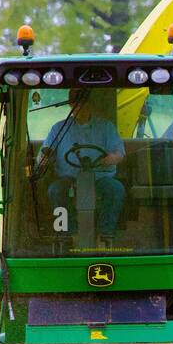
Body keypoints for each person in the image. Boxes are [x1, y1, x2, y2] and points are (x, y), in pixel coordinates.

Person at [37, 89, 125, 240]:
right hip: (69, 178)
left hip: (100, 178)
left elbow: (119, 154)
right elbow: (44, 154)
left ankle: (105, 233)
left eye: (83, 103)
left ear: (91, 104)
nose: (79, 107)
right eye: (75, 103)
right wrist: (45, 157)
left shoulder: (106, 127)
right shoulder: (58, 129)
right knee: (55, 191)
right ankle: (66, 232)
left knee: (115, 189)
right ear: (70, 105)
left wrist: (108, 159)